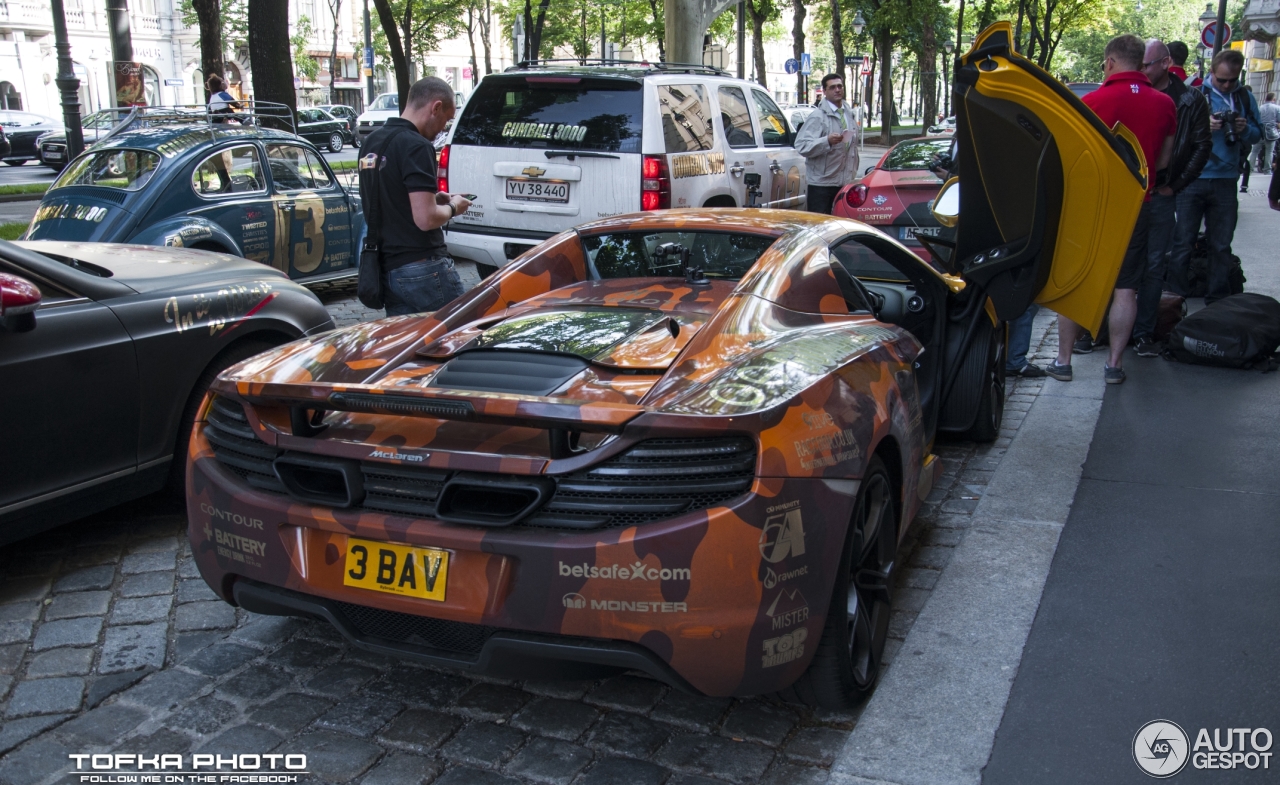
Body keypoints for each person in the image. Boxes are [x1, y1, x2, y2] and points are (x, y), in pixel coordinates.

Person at [1047, 34, 1175, 385]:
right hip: (1137, 206)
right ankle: (1115, 365)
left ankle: (1063, 362)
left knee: (1074, 282)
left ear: (1110, 62)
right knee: (1126, 288)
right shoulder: (1165, 104)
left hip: (1093, 206)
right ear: (1142, 63)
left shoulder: (1092, 102)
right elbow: (1163, 160)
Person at [1126, 38, 1212, 357]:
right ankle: (1100, 329)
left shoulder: (1189, 99)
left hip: (1160, 193)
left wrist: (1174, 186)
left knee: (1152, 266)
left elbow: (1201, 146)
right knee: (1119, 263)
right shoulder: (1135, 93)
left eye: (1146, 65)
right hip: (1127, 192)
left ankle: (1144, 333)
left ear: (1164, 63)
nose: (1141, 71)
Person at [359, 77, 470, 317]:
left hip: (388, 269)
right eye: (446, 120)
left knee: (409, 346)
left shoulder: (372, 142)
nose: (443, 128)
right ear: (435, 107)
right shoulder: (416, 146)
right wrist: (453, 206)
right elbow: (426, 219)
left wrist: (433, 198)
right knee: (461, 335)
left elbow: (386, 201)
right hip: (423, 267)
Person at [1166, 49, 1263, 304]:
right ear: (1212, 73)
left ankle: (1217, 300)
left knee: (1220, 244)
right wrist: (1202, 126)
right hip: (1193, 178)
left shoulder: (1242, 97)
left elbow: (1258, 134)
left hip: (1226, 179)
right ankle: (1174, 299)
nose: (1227, 85)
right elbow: (1175, 133)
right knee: (1183, 242)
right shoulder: (1194, 95)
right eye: (1222, 80)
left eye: (1232, 80)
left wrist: (1244, 129)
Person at [795, 73, 860, 214]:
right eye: (832, 87)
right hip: (822, 185)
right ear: (824, 91)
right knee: (820, 228)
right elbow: (801, 145)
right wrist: (826, 141)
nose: (837, 90)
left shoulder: (848, 114)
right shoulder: (818, 116)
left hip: (845, 183)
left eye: (840, 86)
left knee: (842, 228)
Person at [1252, 91, 1279, 175]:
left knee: (1255, 151)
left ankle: (1250, 169)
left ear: (1266, 99)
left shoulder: (1260, 107)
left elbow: (1255, 119)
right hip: (1271, 133)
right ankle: (1267, 170)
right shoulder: (1277, 108)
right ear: (1274, 99)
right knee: (1269, 152)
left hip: (1260, 132)